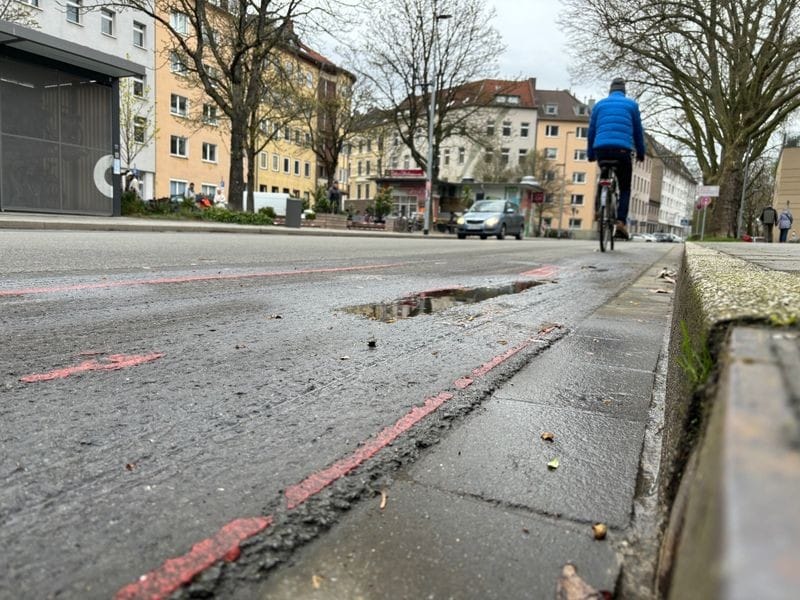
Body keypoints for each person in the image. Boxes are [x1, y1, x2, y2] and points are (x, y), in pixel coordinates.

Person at [587, 77, 646, 240]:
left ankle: (598, 209)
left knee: (603, 176)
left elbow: (591, 132)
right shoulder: (632, 106)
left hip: (602, 149)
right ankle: (620, 222)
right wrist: (641, 152)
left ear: (610, 90)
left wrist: (591, 154)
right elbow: (637, 133)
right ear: (624, 91)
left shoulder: (599, 105)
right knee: (625, 187)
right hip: (622, 151)